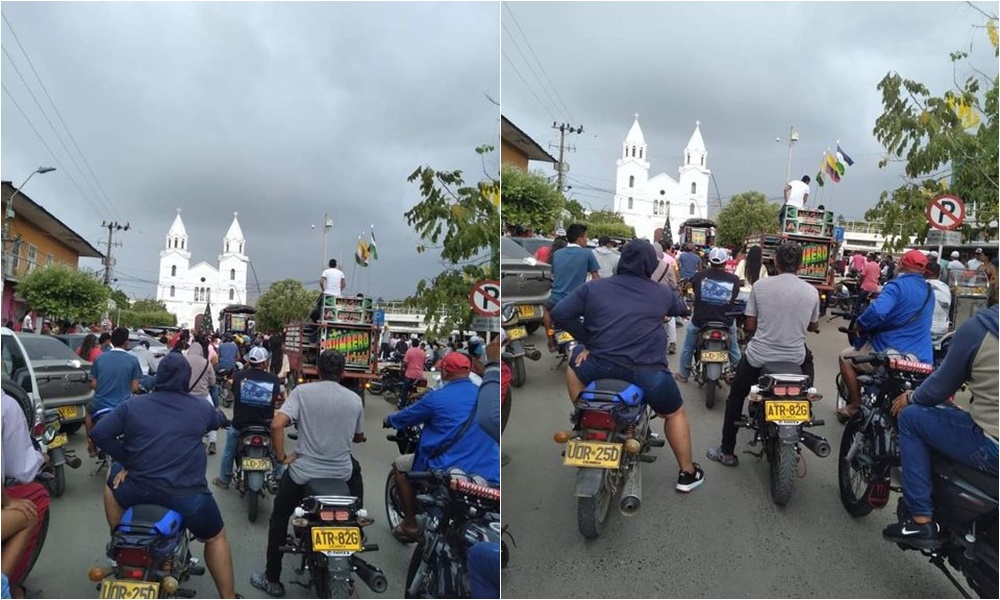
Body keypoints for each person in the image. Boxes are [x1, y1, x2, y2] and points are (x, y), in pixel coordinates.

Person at [551, 240, 705, 492]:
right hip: (648, 373)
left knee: (573, 365)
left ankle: (586, 416)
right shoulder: (661, 292)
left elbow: (560, 313)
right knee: (674, 413)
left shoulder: (595, 288)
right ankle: (687, 473)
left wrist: (588, 338)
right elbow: (681, 308)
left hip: (598, 365)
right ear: (649, 266)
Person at [90, 353, 237, 598]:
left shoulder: (132, 405)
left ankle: (122, 541)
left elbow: (100, 433)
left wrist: (127, 461)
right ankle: (228, 596)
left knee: (111, 478)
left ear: (158, 377)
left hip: (137, 488)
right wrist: (222, 421)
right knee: (215, 537)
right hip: (187, 496)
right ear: (186, 379)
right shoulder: (200, 407)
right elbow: (219, 419)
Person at [883, 301, 998, 548]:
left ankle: (920, 519)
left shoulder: (981, 328)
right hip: (923, 353)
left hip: (991, 444)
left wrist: (911, 397)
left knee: (911, 417)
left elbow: (938, 388)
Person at [252, 350, 364, 598]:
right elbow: (358, 435)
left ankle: (272, 580)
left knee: (279, 518)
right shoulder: (355, 399)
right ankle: (356, 526)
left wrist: (282, 457)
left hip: (303, 474)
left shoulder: (302, 393)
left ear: (318, 371)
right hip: (341, 474)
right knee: (355, 493)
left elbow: (276, 424)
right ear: (343, 373)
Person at [706, 242, 820, 467]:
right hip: (794, 358)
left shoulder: (761, 287)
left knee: (736, 397)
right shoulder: (812, 291)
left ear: (776, 261)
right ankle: (805, 403)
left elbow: (750, 325)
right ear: (800, 264)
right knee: (807, 375)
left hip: (760, 356)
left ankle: (727, 451)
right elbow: (813, 325)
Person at [383, 353, 500, 542]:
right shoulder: (483, 395)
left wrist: (389, 419)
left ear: (445, 371)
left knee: (400, 467)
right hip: (489, 469)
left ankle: (410, 524)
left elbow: (405, 417)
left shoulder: (436, 398)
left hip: (447, 468)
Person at [838, 249, 934, 420]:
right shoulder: (929, 291)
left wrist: (860, 324)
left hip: (890, 354)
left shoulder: (896, 286)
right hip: (921, 360)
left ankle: (854, 405)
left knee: (845, 357)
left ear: (902, 265)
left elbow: (878, 311)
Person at [213, 346, 283, 491]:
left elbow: (232, 393)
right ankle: (281, 478)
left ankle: (224, 479)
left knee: (229, 452)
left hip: (240, 425)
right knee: (276, 452)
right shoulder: (274, 380)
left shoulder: (238, 377)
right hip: (266, 426)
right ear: (264, 363)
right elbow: (277, 401)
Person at [1, 392, 49, 599]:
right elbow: (21, 468)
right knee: (31, 510)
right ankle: (8, 587)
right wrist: (40, 458)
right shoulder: (6, 405)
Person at [674, 247, 742, 383]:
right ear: (725, 262)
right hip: (726, 322)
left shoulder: (699, 276)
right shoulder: (734, 280)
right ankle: (741, 374)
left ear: (709, 261)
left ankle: (683, 374)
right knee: (734, 348)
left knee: (688, 346)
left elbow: (689, 287)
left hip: (700, 322)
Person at [543, 224, 600, 352]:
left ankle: (551, 342)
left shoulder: (557, 254)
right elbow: (596, 279)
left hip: (556, 300)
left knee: (546, 313)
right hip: (577, 301)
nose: (587, 240)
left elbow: (553, 275)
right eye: (586, 237)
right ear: (579, 239)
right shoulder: (587, 254)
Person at [86, 327, 142, 457]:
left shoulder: (100, 358)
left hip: (100, 405)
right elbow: (134, 388)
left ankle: (91, 445)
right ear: (126, 342)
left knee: (88, 413)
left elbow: (93, 383)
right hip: (123, 407)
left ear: (111, 340)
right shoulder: (133, 360)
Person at [186, 334, 218, 455]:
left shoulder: (184, 360)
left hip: (187, 397)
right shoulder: (206, 363)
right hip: (204, 396)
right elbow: (212, 382)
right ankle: (213, 442)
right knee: (212, 417)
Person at [925, 262, 952, 340]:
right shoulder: (946, 287)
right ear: (939, 273)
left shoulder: (922, 285)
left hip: (924, 329)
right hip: (943, 329)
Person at [400, 338, 426, 404]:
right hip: (420, 376)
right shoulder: (422, 352)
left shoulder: (409, 351)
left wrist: (402, 369)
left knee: (404, 390)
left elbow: (405, 362)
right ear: (418, 344)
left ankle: (402, 404)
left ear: (412, 344)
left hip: (410, 375)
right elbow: (424, 362)